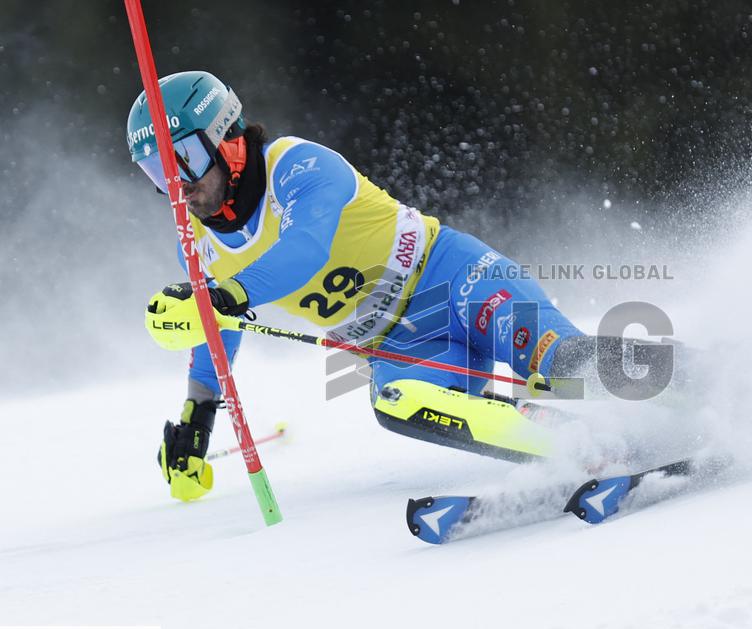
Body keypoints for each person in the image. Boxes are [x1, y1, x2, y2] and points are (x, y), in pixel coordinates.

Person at [129, 71, 676, 502]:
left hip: (455, 283)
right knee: (399, 403)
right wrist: (196, 419)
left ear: (227, 139)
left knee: (563, 363)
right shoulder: (195, 239)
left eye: (186, 158)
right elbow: (216, 330)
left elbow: (306, 249)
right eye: (157, 171)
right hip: (401, 347)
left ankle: (710, 381)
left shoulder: (298, 165)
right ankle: (583, 447)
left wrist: (225, 295)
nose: (177, 183)